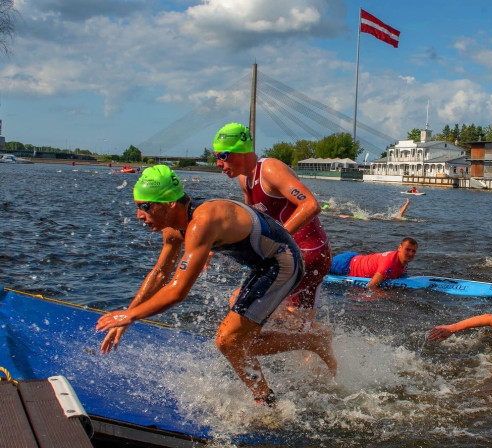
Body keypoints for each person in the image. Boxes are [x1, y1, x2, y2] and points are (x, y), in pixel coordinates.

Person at [95, 166, 336, 406]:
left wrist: (130, 316)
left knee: (228, 340)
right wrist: (128, 313)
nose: (139, 215)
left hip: (284, 261)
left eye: (145, 206)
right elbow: (160, 274)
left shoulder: (203, 221)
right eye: (137, 206)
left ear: (169, 203)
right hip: (264, 264)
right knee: (235, 342)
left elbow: (178, 291)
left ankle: (304, 350)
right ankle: (267, 395)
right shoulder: (172, 228)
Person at [212, 123, 331, 329]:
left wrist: (278, 238)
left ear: (241, 150)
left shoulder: (269, 169)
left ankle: (317, 335)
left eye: (222, 156)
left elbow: (310, 205)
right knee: (297, 324)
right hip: (297, 253)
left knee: (241, 302)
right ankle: (318, 339)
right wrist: (216, 245)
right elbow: (251, 223)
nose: (218, 163)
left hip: (308, 253)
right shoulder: (244, 179)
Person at [328, 238, 418, 291]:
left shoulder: (404, 263)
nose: (410, 254)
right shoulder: (389, 262)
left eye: (413, 251)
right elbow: (371, 286)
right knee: (317, 269)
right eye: (407, 249)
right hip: (345, 265)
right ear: (399, 248)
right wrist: (386, 296)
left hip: (357, 258)